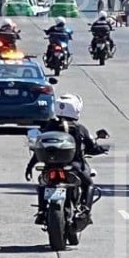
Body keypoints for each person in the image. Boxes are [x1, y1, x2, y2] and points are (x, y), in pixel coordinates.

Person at [25, 94, 106, 225]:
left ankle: (41, 211)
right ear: (76, 109)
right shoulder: (79, 128)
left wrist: (30, 166)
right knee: (89, 184)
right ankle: (85, 210)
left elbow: (40, 148)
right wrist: (101, 149)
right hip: (74, 165)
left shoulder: (49, 126)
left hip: (50, 165)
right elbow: (92, 146)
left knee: (43, 183)